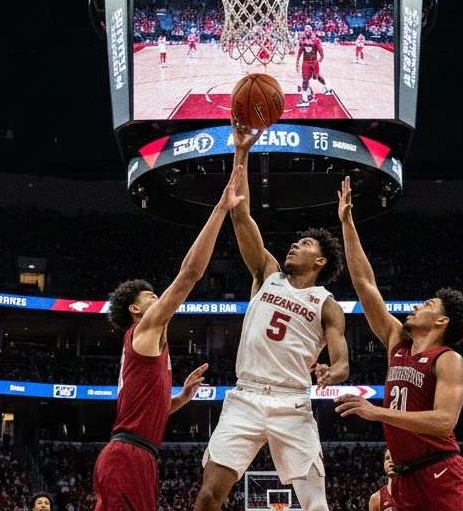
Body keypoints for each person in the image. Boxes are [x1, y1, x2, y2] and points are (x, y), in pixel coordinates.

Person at [193, 131, 350, 511]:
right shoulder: (268, 273)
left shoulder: (325, 303)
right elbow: (240, 213)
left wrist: (335, 372)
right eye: (296, 242)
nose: (295, 244)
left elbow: (343, 358)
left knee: (316, 504)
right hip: (245, 395)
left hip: (292, 402)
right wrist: (241, 152)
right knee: (208, 496)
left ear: (321, 262)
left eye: (306, 244)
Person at [92, 164, 246, 511]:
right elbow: (190, 274)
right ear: (135, 310)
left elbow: (146, 411)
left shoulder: (147, 347)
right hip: (127, 456)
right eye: (150, 297)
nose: (158, 299)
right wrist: (220, 209)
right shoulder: (144, 329)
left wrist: (180, 398)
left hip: (139, 455)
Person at [333, 176, 463, 511]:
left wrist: (377, 411)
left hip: (442, 473)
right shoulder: (396, 341)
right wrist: (347, 223)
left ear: (442, 322)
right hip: (403, 480)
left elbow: (444, 422)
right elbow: (365, 283)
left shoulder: (448, 359)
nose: (416, 307)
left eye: (428, 305)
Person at [295, 24, 333, 107]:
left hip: (314, 62)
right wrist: (297, 62)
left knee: (317, 77)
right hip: (306, 62)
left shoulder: (316, 40)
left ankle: (328, 87)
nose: (307, 31)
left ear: (311, 31)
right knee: (305, 80)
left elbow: (320, 49)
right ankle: (305, 99)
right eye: (306, 30)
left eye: (309, 30)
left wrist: (322, 57)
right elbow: (300, 51)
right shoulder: (302, 39)